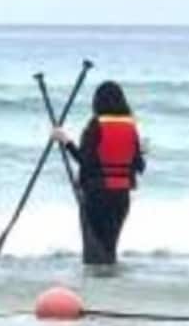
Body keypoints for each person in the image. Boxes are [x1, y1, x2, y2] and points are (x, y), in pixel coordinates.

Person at [51, 81, 145, 265]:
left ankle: (97, 281)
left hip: (97, 195)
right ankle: (110, 280)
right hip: (121, 197)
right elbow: (139, 166)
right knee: (109, 248)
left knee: (93, 251)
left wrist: (65, 140)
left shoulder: (96, 125)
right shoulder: (131, 127)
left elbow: (84, 160)